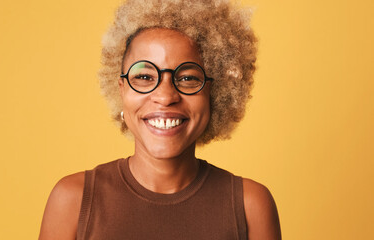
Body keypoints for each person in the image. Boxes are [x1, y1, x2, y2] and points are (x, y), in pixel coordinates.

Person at [39, 0, 281, 239]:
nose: (165, 97)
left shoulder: (250, 207)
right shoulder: (73, 201)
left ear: (215, 93)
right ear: (121, 89)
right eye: (144, 76)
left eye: (187, 78)